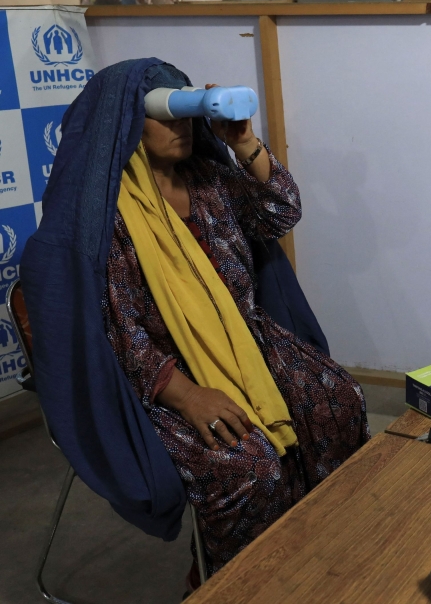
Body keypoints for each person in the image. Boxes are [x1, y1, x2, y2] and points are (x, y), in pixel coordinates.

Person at [22, 60, 369, 586]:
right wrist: (186, 396)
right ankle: (231, 583)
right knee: (248, 467)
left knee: (338, 404)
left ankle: (311, 545)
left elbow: (280, 214)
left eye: (184, 110)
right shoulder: (105, 217)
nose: (181, 124)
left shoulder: (208, 180)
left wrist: (243, 143)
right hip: (158, 378)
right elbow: (117, 332)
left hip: (243, 340)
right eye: (165, 113)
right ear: (124, 126)